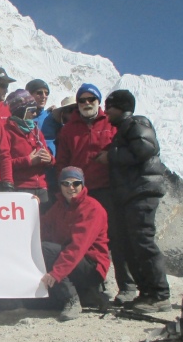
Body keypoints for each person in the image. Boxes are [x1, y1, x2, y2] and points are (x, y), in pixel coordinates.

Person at [56, 83, 137, 302]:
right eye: (82, 100)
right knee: (81, 239)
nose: (86, 104)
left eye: (91, 99)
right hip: (80, 193)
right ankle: (95, 286)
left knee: (116, 237)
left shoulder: (111, 124)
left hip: (109, 189)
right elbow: (62, 161)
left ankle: (127, 286)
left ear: (98, 102)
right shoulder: (68, 129)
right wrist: (63, 188)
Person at [100, 90, 171, 312]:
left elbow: (146, 149)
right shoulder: (124, 128)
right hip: (132, 193)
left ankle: (159, 295)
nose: (106, 111)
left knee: (143, 241)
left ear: (121, 106)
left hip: (141, 191)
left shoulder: (136, 122)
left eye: (109, 106)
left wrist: (110, 155)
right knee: (133, 243)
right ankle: (147, 293)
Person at [41, 167, 110, 321]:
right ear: (60, 185)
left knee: (45, 249)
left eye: (76, 183)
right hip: (71, 263)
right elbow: (43, 227)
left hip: (91, 265)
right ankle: (88, 295)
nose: (70, 187)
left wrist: (56, 273)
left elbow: (77, 247)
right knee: (37, 303)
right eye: (66, 183)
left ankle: (71, 299)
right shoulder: (59, 207)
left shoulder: (92, 208)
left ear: (83, 185)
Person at [4, 90, 52, 206]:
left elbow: (48, 156)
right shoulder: (7, 132)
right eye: (31, 110)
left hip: (41, 186)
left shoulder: (35, 130)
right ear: (20, 110)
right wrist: (28, 161)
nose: (34, 114)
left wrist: (49, 159)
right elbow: (4, 163)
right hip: (21, 187)